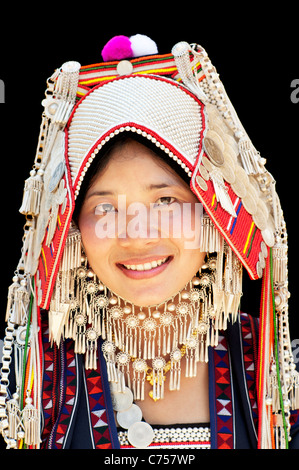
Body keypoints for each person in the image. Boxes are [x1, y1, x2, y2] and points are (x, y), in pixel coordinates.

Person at [0, 34, 298, 450]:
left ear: (213, 213)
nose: (136, 234)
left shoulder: (275, 372)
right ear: (72, 228)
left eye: (165, 201)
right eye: (105, 208)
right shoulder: (32, 376)